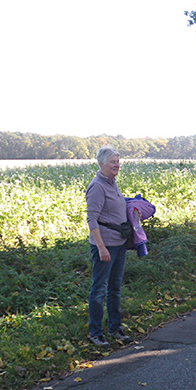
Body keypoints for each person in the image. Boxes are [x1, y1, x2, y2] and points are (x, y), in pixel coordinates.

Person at [85, 145, 132, 348]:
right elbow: (92, 219)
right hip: (105, 245)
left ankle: (115, 328)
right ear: (101, 164)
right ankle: (95, 332)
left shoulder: (112, 183)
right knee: (99, 289)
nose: (117, 165)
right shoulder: (97, 186)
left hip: (119, 243)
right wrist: (101, 247)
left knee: (114, 289)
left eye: (118, 161)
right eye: (113, 162)